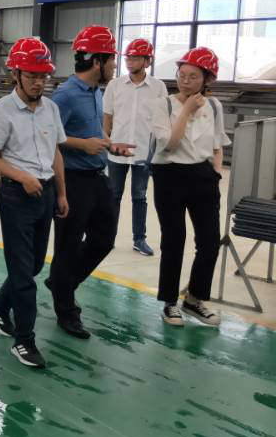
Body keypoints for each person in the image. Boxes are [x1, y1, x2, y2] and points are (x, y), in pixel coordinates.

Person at [0, 38, 69, 368]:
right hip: (16, 196)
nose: (38, 82)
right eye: (31, 75)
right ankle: (24, 340)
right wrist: (22, 177)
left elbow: (55, 152)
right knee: (23, 274)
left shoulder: (51, 109)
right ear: (15, 75)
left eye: (43, 76)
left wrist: (61, 193)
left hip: (45, 193)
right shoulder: (2, 111)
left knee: (33, 265)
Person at [46, 25, 134, 339]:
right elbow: (49, 135)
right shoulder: (66, 95)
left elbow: (93, 133)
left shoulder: (97, 92)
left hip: (98, 178)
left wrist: (110, 145)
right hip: (73, 180)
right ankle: (66, 312)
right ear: (97, 61)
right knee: (68, 247)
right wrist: (83, 145)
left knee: (104, 239)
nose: (115, 66)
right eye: (111, 60)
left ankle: (62, 283)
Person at [149, 47, 229, 327]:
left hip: (203, 176)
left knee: (209, 241)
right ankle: (170, 302)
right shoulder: (164, 104)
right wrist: (186, 109)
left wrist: (215, 172)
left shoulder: (215, 106)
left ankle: (194, 299)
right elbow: (170, 144)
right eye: (182, 74)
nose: (185, 81)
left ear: (207, 79)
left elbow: (217, 144)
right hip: (169, 174)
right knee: (174, 239)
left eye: (193, 76)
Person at [102, 38, 167, 256]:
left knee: (139, 197)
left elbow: (162, 121)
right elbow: (107, 117)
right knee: (113, 196)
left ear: (147, 61)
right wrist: (106, 143)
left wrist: (158, 152)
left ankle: (139, 239)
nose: (130, 62)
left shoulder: (158, 87)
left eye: (135, 58)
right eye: (128, 58)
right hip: (116, 151)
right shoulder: (115, 85)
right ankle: (107, 237)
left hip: (143, 153)